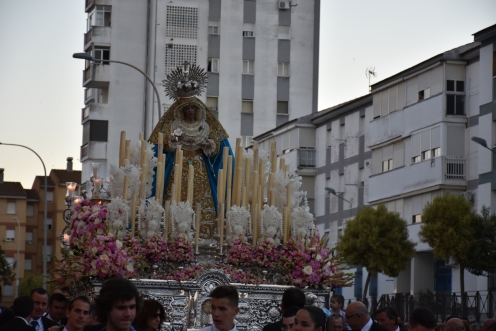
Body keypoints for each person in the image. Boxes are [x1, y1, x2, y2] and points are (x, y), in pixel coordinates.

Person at [150, 66, 233, 240]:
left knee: (203, 202)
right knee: (176, 201)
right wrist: (170, 141)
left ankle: (204, 235)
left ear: (197, 109)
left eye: (193, 108)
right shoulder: (173, 125)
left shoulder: (205, 126)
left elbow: (219, 148)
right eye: (187, 109)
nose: (190, 111)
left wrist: (209, 145)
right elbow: (159, 146)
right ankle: (175, 235)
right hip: (178, 170)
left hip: (200, 170)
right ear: (181, 110)